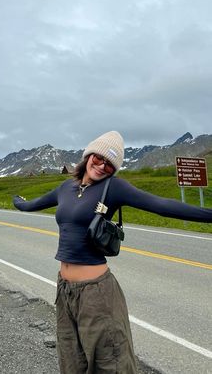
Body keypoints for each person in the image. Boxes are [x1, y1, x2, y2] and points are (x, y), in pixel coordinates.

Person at [13, 131, 212, 374]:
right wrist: (18, 202)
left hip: (97, 294)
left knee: (111, 364)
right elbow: (33, 204)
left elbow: (161, 206)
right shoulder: (66, 187)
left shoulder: (114, 187)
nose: (102, 166)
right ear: (88, 155)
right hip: (64, 291)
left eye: (110, 164)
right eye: (99, 158)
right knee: (70, 361)